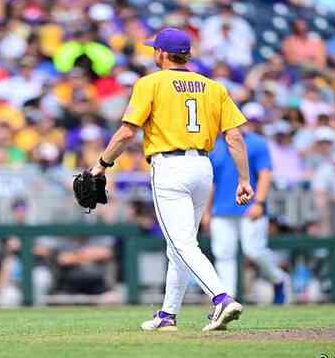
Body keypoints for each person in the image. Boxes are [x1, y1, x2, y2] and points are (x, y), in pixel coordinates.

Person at [89, 28, 252, 332]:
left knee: (182, 243)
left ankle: (221, 299)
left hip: (170, 167)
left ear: (162, 54)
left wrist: (102, 164)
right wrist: (243, 178)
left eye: (155, 50)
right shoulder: (213, 87)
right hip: (203, 167)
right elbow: (235, 137)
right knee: (178, 245)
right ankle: (168, 315)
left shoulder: (150, 83)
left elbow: (127, 132)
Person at [204, 103, 289, 304]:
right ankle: (228, 300)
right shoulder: (215, 145)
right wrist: (206, 211)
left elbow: (265, 175)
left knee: (254, 251)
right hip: (221, 209)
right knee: (223, 255)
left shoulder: (257, 143)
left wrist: (259, 202)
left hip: (250, 207)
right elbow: (212, 183)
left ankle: (278, 279)